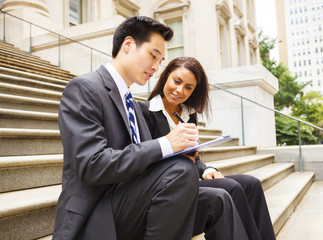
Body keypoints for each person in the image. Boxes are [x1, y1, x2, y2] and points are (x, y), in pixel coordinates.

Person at [53, 16, 206, 240]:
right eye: (153, 55)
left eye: (160, 60)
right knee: (180, 172)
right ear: (128, 45)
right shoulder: (85, 88)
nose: (156, 67)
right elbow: (91, 165)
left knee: (221, 196)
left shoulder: (132, 104)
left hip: (129, 199)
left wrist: (181, 153)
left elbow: (145, 163)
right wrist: (166, 143)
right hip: (95, 211)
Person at [140, 56, 276, 240]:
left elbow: (194, 158)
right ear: (166, 77)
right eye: (177, 81)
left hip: (191, 178)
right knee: (231, 187)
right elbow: (145, 157)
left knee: (252, 184)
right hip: (169, 186)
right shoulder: (145, 112)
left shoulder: (188, 115)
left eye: (188, 87)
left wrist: (206, 170)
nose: (180, 90)